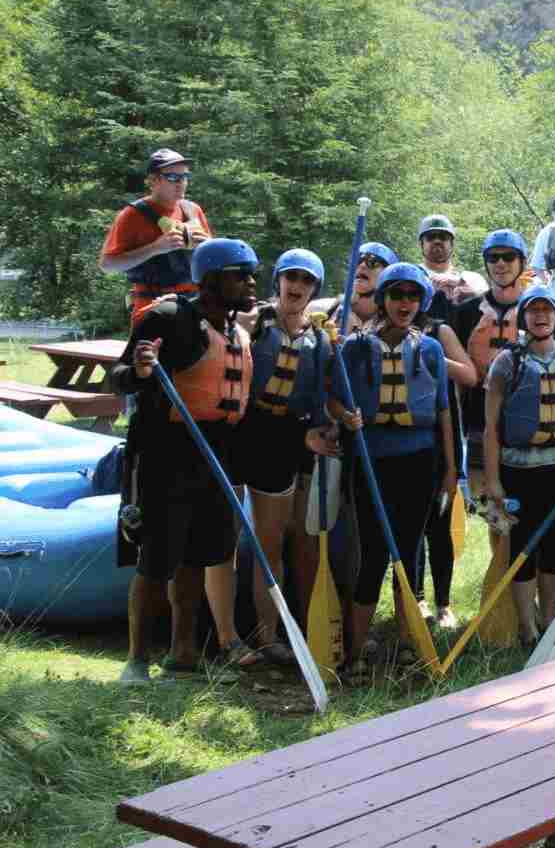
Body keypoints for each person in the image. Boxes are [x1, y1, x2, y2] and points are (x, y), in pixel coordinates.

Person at [113, 238, 258, 682]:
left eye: (251, 275)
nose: (251, 283)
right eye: (240, 275)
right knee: (157, 557)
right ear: (211, 280)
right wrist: (140, 370)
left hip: (217, 452)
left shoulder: (237, 331)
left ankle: (183, 656)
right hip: (166, 452)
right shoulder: (168, 318)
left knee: (197, 556)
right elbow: (118, 377)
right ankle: (137, 661)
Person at [330, 262, 457, 673]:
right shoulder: (354, 347)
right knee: (372, 555)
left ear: (421, 302)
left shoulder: (430, 350)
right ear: (383, 299)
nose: (405, 303)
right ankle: (355, 651)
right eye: (397, 295)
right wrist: (344, 416)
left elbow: (443, 413)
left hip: (418, 462)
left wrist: (450, 471)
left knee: (409, 552)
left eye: (413, 296)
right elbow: (332, 398)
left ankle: (406, 642)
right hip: (371, 461)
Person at [480, 283, 555, 644]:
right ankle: (526, 626)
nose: (540, 316)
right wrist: (493, 480)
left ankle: (548, 617)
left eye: (547, 310)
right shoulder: (507, 361)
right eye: (533, 310)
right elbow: (490, 427)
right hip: (518, 470)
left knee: (553, 544)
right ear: (524, 317)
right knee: (524, 546)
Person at [240, 249, 333, 666]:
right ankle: (266, 634)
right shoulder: (255, 322)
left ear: (315, 289)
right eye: (291, 277)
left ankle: (309, 625)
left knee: (306, 540)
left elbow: (321, 397)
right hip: (259, 436)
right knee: (270, 540)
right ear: (278, 280)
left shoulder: (320, 338)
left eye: (306, 281)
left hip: (301, 439)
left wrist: (327, 428)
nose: (297, 286)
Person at [440, 230, 532, 627]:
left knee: (524, 510)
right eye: (494, 257)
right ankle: (502, 588)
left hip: (525, 427)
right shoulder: (465, 313)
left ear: (521, 263)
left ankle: (522, 586)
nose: (501, 263)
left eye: (509, 257)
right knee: (495, 511)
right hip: (480, 425)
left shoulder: (537, 308)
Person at [100, 149, 214, 327]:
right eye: (173, 177)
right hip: (153, 307)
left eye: (185, 177)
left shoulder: (192, 210)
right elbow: (107, 265)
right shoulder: (132, 215)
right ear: (153, 181)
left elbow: (212, 264)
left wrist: (207, 246)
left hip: (196, 304)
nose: (181, 183)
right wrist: (156, 248)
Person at [417, 214, 487, 320]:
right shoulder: (411, 277)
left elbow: (491, 309)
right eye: (430, 237)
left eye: (443, 237)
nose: (437, 241)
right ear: (421, 244)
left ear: (452, 244)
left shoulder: (473, 279)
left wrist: (471, 293)